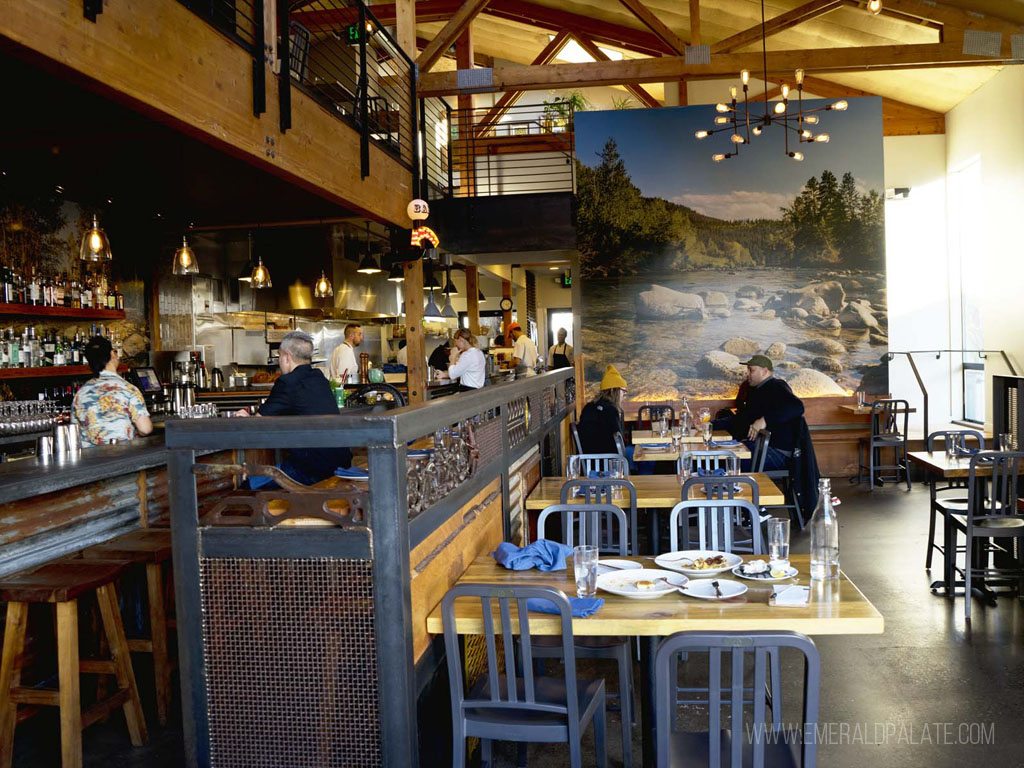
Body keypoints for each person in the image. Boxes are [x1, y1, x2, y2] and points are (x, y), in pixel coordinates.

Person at [235, 330, 351, 485]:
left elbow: (257, 425)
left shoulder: (287, 382)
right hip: (339, 463)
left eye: (279, 356)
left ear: (287, 357)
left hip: (311, 470)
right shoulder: (319, 378)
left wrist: (245, 418)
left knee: (248, 486)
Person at [714, 354, 805, 471]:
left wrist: (764, 420)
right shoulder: (756, 390)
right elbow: (740, 419)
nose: (747, 373)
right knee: (714, 459)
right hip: (759, 448)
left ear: (764, 371)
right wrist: (710, 425)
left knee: (718, 461)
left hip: (777, 453)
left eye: (751, 370)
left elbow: (797, 406)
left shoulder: (776, 385)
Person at [73, 336, 153, 447]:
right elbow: (145, 429)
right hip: (121, 458)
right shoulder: (128, 389)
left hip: (90, 461)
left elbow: (75, 432)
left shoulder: (80, 394)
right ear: (112, 355)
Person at [577, 365, 627, 455]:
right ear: (613, 390)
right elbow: (620, 441)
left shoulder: (588, 407)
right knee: (633, 452)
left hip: (589, 460)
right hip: (608, 461)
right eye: (623, 391)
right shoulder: (611, 410)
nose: (624, 395)